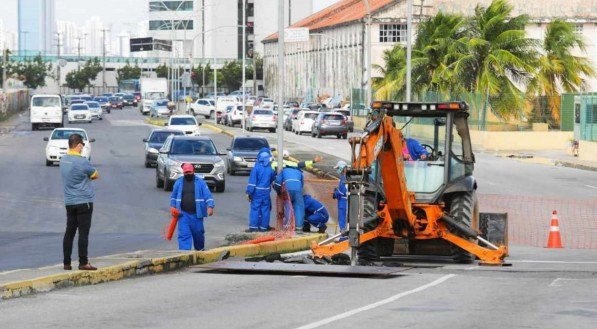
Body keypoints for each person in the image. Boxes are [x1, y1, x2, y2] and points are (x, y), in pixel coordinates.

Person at [60, 133, 99, 271]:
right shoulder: (83, 161)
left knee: (69, 232)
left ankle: (66, 262)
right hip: (84, 201)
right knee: (83, 233)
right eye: (81, 145)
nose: (82, 148)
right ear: (78, 145)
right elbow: (95, 174)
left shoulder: (63, 160)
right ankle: (83, 262)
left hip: (69, 202)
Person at [170, 163, 215, 250]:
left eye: (189, 172)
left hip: (197, 215)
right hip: (183, 215)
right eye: (186, 172)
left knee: (198, 235)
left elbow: (208, 196)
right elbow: (173, 196)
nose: (188, 174)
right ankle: (184, 256)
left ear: (193, 171)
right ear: (183, 173)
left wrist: (210, 206)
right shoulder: (178, 182)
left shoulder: (200, 183)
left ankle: (200, 252)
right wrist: (172, 207)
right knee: (184, 235)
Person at [246, 147, 276, 232]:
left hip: (257, 192)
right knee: (265, 209)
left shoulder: (256, 168)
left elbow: (252, 183)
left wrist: (249, 193)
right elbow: (272, 180)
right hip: (266, 192)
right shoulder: (270, 169)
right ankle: (264, 228)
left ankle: (253, 227)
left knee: (255, 209)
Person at [273, 164, 305, 233]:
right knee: (299, 208)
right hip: (298, 191)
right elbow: (302, 185)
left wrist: (278, 191)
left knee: (287, 206)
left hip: (287, 190)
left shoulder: (284, 171)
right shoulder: (299, 172)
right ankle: (299, 228)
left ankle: (287, 227)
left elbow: (278, 183)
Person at [332, 160, 348, 232]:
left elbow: (343, 191)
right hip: (345, 200)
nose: (337, 170)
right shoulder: (345, 176)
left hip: (343, 201)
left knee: (342, 218)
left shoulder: (344, 177)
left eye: (338, 168)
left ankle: (343, 234)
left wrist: (336, 193)